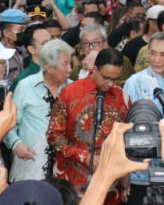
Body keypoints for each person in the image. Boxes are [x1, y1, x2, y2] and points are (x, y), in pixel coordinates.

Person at [47, 47, 130, 194]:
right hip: (72, 184)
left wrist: (126, 174)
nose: (111, 84)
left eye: (115, 79)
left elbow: (127, 139)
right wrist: (85, 157)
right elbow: (54, 136)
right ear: (95, 69)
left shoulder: (122, 97)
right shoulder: (70, 92)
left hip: (110, 184)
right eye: (106, 78)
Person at [6, 39, 73, 181]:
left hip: (64, 175)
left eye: (70, 64)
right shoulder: (26, 86)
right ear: (49, 67)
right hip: (30, 170)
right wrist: (16, 144)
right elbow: (8, 124)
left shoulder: (73, 89)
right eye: (65, 64)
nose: (70, 70)